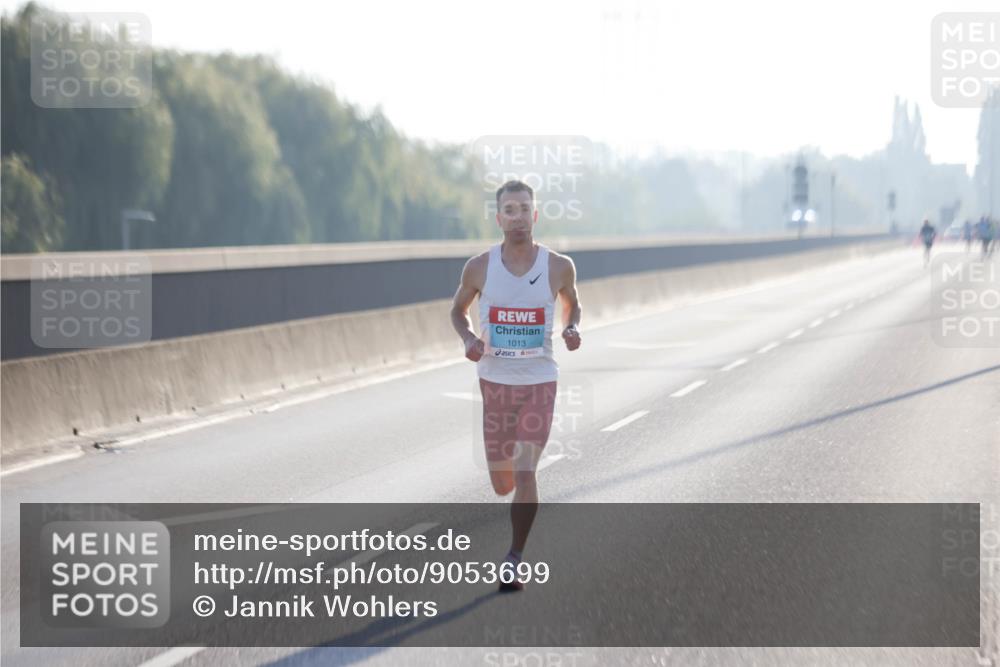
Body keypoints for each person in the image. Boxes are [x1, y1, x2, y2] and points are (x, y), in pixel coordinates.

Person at [450, 179, 582, 592]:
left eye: (525, 208)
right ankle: (512, 527)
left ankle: (514, 558)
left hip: (540, 382)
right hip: (495, 383)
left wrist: (572, 326)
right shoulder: (479, 267)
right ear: (498, 218)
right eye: (510, 209)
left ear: (535, 215)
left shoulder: (559, 265)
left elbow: (572, 301)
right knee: (502, 482)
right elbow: (457, 311)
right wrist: (469, 339)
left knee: (525, 471)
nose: (518, 216)